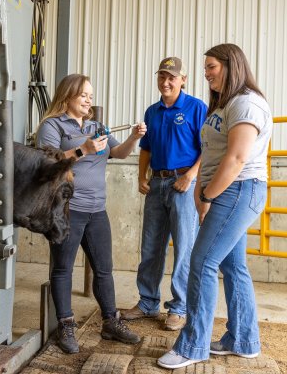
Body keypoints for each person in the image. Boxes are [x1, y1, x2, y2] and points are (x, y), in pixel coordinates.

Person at [158, 44, 273, 369]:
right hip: (226, 192)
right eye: (206, 68)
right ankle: (243, 339)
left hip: (238, 190)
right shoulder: (227, 104)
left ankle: (192, 346)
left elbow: (236, 159)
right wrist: (203, 193)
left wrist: (206, 195)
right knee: (232, 266)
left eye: (212, 67)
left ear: (230, 65)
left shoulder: (247, 103)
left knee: (202, 262)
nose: (206, 74)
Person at [36, 73, 147, 354]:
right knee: (62, 269)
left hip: (97, 208)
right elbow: (46, 163)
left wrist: (134, 137)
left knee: (104, 269)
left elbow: (119, 153)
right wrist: (82, 149)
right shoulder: (52, 126)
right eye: (84, 94)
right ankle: (66, 325)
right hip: (66, 209)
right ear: (68, 96)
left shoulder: (98, 126)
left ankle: (111, 322)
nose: (89, 99)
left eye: (91, 95)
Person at [122, 57, 207, 331]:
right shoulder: (152, 111)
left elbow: (209, 149)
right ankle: (147, 302)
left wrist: (190, 176)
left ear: (183, 79)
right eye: (162, 76)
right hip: (156, 185)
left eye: (172, 77)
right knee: (150, 247)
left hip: (184, 185)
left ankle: (179, 308)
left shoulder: (196, 108)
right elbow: (145, 147)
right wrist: (141, 176)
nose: (166, 82)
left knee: (184, 248)